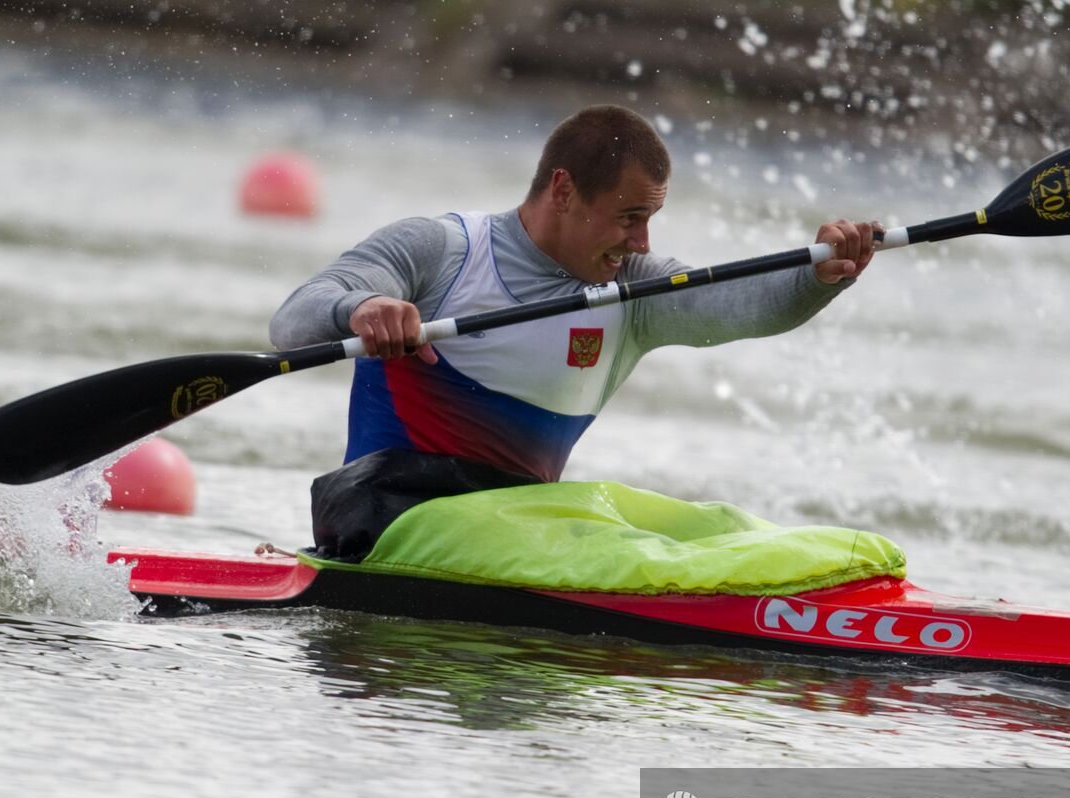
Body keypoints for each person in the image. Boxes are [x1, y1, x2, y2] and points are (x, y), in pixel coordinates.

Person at [270, 105, 881, 558]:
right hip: (389, 524)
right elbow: (295, 317)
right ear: (563, 190)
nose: (642, 242)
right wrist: (364, 307)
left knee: (727, 535)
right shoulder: (441, 251)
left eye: (650, 219)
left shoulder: (636, 292)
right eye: (628, 217)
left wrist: (821, 276)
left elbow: (745, 304)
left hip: (522, 537)